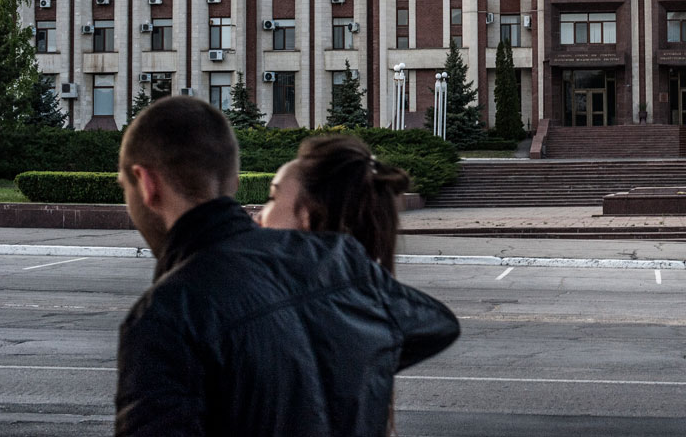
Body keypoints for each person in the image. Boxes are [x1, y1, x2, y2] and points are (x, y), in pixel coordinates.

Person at [114, 96, 459, 436]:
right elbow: (437, 323)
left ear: (146, 184)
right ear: (233, 181)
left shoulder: (168, 314)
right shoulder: (341, 264)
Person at [258, 134, 405, 270]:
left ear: (308, 214)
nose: (257, 216)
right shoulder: (378, 285)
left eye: (272, 198)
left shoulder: (265, 287)